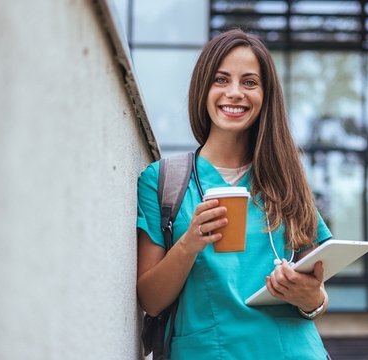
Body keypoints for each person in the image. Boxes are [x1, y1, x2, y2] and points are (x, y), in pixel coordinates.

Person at [136, 28, 333, 359]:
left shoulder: (286, 181)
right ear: (203, 88)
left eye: (250, 82)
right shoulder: (164, 181)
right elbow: (151, 300)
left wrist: (312, 299)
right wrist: (189, 243)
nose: (235, 93)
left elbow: (318, 294)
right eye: (221, 80)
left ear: (265, 95)